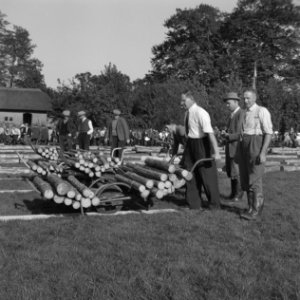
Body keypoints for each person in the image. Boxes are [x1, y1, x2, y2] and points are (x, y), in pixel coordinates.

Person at [180, 91, 221, 209]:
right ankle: (193, 204)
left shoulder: (201, 113)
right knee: (190, 173)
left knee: (207, 176)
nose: (181, 103)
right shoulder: (187, 113)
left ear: (190, 99)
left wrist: (216, 152)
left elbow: (210, 134)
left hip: (202, 144)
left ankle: (214, 205)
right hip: (190, 144)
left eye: (183, 101)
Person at [239, 88, 273, 220]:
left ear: (254, 98)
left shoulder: (261, 111)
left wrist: (263, 152)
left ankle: (257, 210)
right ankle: (250, 207)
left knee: (255, 178)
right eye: (244, 98)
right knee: (247, 178)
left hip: (256, 143)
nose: (245, 100)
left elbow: (268, 133)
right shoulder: (244, 112)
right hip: (245, 144)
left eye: (248, 98)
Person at [222, 92, 245, 202]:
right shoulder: (232, 115)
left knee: (237, 172)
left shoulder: (241, 114)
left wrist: (228, 136)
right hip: (230, 148)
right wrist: (225, 133)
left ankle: (239, 194)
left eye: (228, 103)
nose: (227, 106)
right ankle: (233, 193)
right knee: (231, 172)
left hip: (237, 149)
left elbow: (241, 133)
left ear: (236, 102)